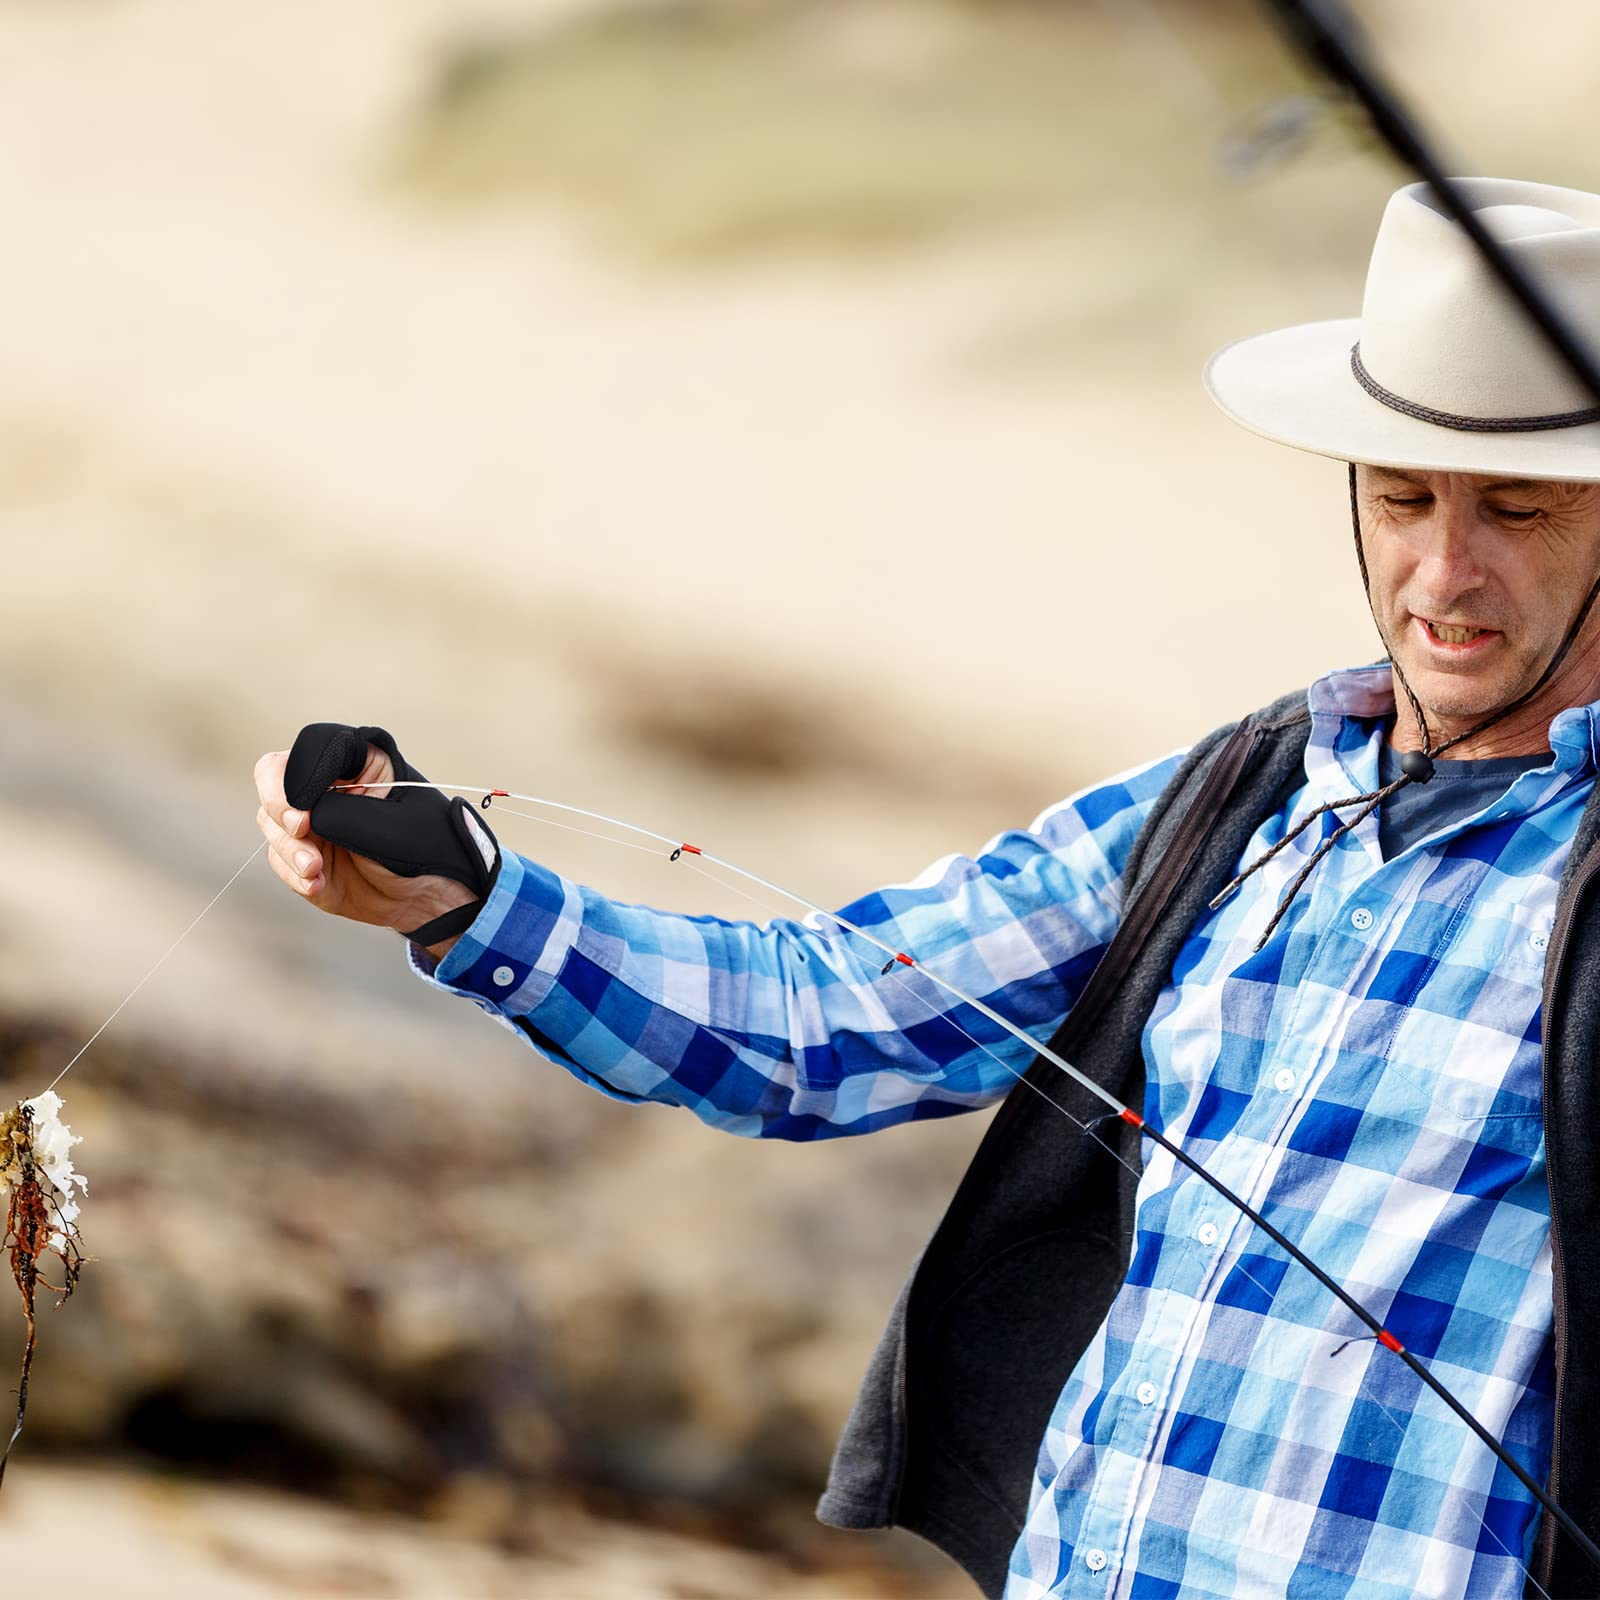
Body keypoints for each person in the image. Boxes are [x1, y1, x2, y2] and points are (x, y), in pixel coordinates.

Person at [254, 177, 1600, 1599]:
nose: (1445, 569)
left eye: (1518, 509)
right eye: (1402, 498)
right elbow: (833, 1018)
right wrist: (470, 898)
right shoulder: (1237, 798)